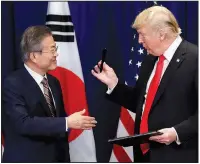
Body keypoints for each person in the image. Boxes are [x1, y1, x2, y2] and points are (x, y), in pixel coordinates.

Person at [92, 6, 198, 162]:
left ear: (161, 34)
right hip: (145, 155)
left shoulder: (195, 59)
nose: (139, 40)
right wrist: (114, 84)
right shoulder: (150, 60)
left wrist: (177, 133)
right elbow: (142, 104)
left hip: (178, 154)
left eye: (142, 35)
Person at [2, 25, 97, 162]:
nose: (56, 54)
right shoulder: (13, 83)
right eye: (52, 50)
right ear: (34, 56)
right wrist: (67, 122)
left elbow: (57, 127)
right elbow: (23, 123)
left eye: (55, 49)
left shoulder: (53, 82)